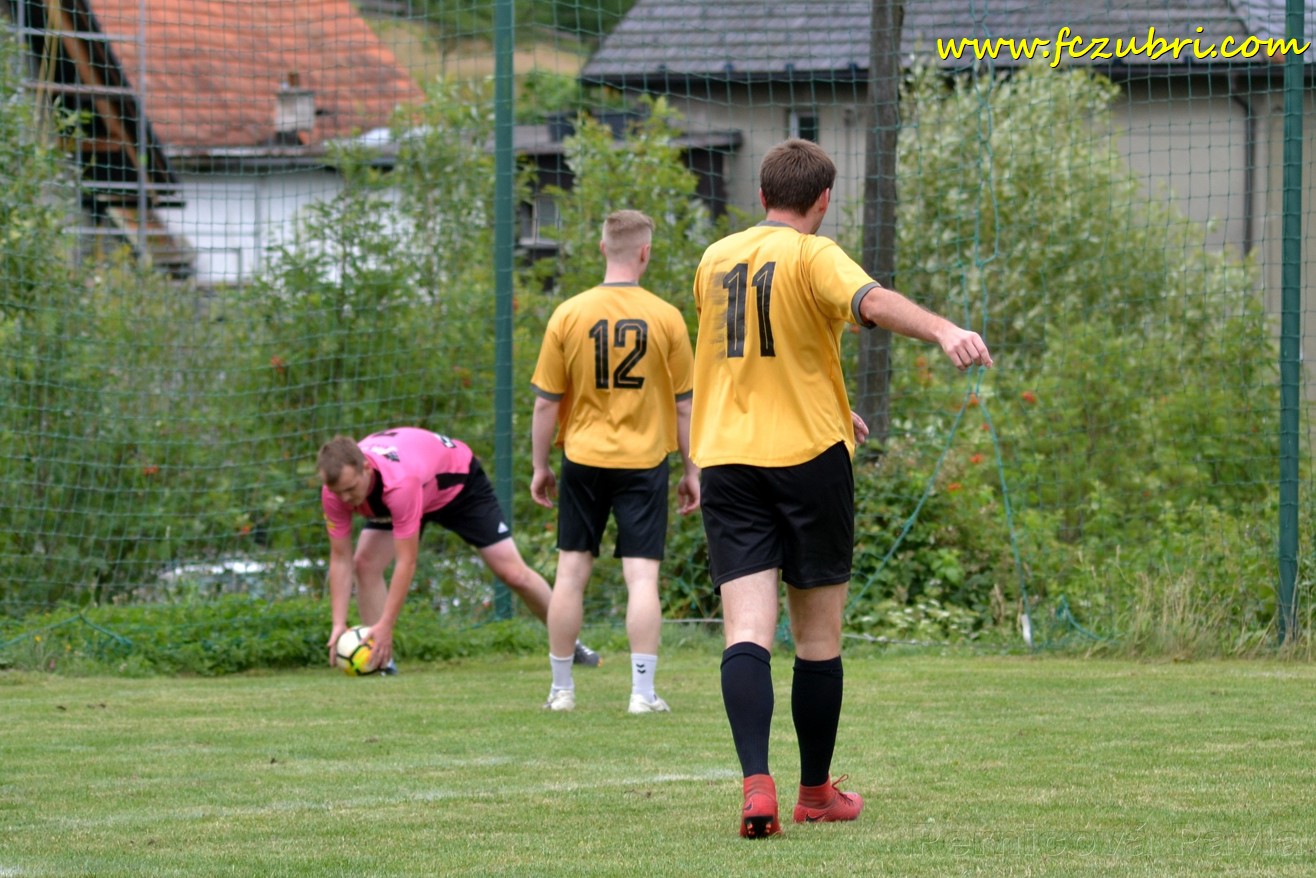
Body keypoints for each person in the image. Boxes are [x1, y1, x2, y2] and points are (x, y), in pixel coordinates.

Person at [690, 140, 993, 838]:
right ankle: (815, 793)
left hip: (727, 459)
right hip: (808, 459)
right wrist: (944, 328)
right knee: (818, 636)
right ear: (823, 200)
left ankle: (756, 786)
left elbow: (748, 356)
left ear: (762, 195)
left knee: (746, 631)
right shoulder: (813, 253)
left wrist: (832, 401)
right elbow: (871, 302)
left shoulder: (715, 259)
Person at [530, 209, 700, 714]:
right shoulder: (666, 317)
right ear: (645, 253)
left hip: (582, 457)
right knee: (641, 577)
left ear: (603, 248)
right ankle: (642, 695)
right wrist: (692, 470)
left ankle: (561, 691)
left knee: (570, 571)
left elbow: (545, 404)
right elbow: (685, 406)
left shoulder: (568, 314)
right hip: (643, 460)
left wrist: (540, 466)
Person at [318, 427, 599, 674]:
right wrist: (338, 623)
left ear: (366, 468)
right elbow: (340, 558)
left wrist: (386, 625)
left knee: (514, 574)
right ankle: (379, 662)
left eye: (350, 489)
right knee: (365, 565)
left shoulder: (399, 483)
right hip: (415, 487)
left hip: (458, 486)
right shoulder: (335, 492)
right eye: (338, 492)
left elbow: (407, 562)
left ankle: (570, 644)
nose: (345, 499)